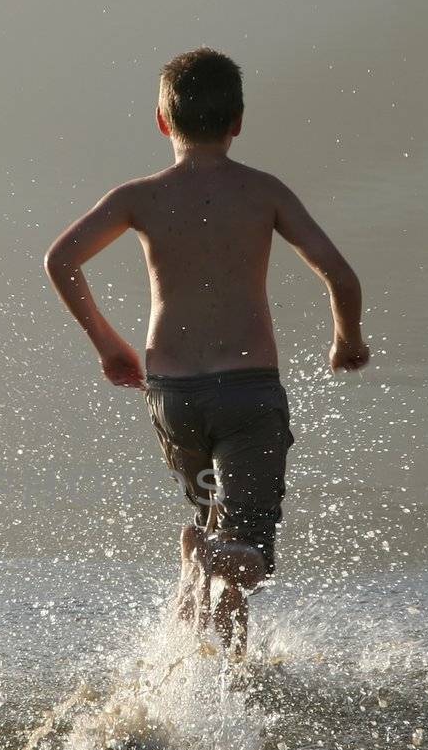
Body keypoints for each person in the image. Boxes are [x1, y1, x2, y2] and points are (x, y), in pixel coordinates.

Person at [43, 47, 369, 655]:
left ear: (163, 122)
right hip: (247, 397)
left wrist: (110, 345)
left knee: (219, 536)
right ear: (237, 122)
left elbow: (61, 260)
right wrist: (346, 340)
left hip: (173, 397)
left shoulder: (138, 197)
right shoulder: (264, 193)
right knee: (248, 556)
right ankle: (212, 552)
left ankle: (227, 673)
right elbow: (341, 278)